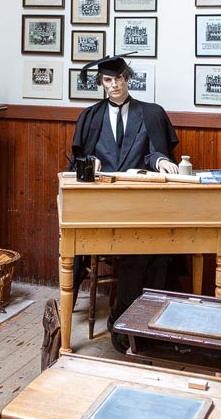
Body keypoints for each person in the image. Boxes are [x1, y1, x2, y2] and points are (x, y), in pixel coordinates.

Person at [69, 54, 180, 351]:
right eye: (108, 80)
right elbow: (79, 160)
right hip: (102, 207)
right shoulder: (90, 118)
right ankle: (126, 322)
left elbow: (155, 151)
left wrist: (161, 161)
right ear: (101, 84)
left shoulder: (151, 114)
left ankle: (132, 320)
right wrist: (89, 164)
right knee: (133, 246)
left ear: (127, 79)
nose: (114, 84)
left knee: (154, 247)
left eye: (119, 78)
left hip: (141, 203)